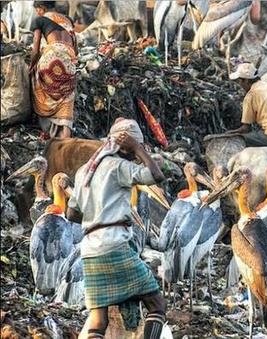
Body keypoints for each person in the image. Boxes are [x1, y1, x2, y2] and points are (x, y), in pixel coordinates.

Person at [66, 118, 167, 339]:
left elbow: (71, 213)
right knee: (157, 304)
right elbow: (157, 175)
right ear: (125, 147)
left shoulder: (85, 170)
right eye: (131, 148)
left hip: (90, 248)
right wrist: (138, 149)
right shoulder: (119, 166)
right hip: (114, 244)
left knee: (98, 321)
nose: (134, 155)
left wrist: (96, 214)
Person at [30, 1, 78, 139]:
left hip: (51, 56)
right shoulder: (68, 20)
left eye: (37, 9)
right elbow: (76, 49)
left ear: (41, 9)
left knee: (38, 83)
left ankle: (47, 126)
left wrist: (31, 67)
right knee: (67, 96)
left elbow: (35, 49)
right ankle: (66, 139)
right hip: (69, 57)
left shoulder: (40, 20)